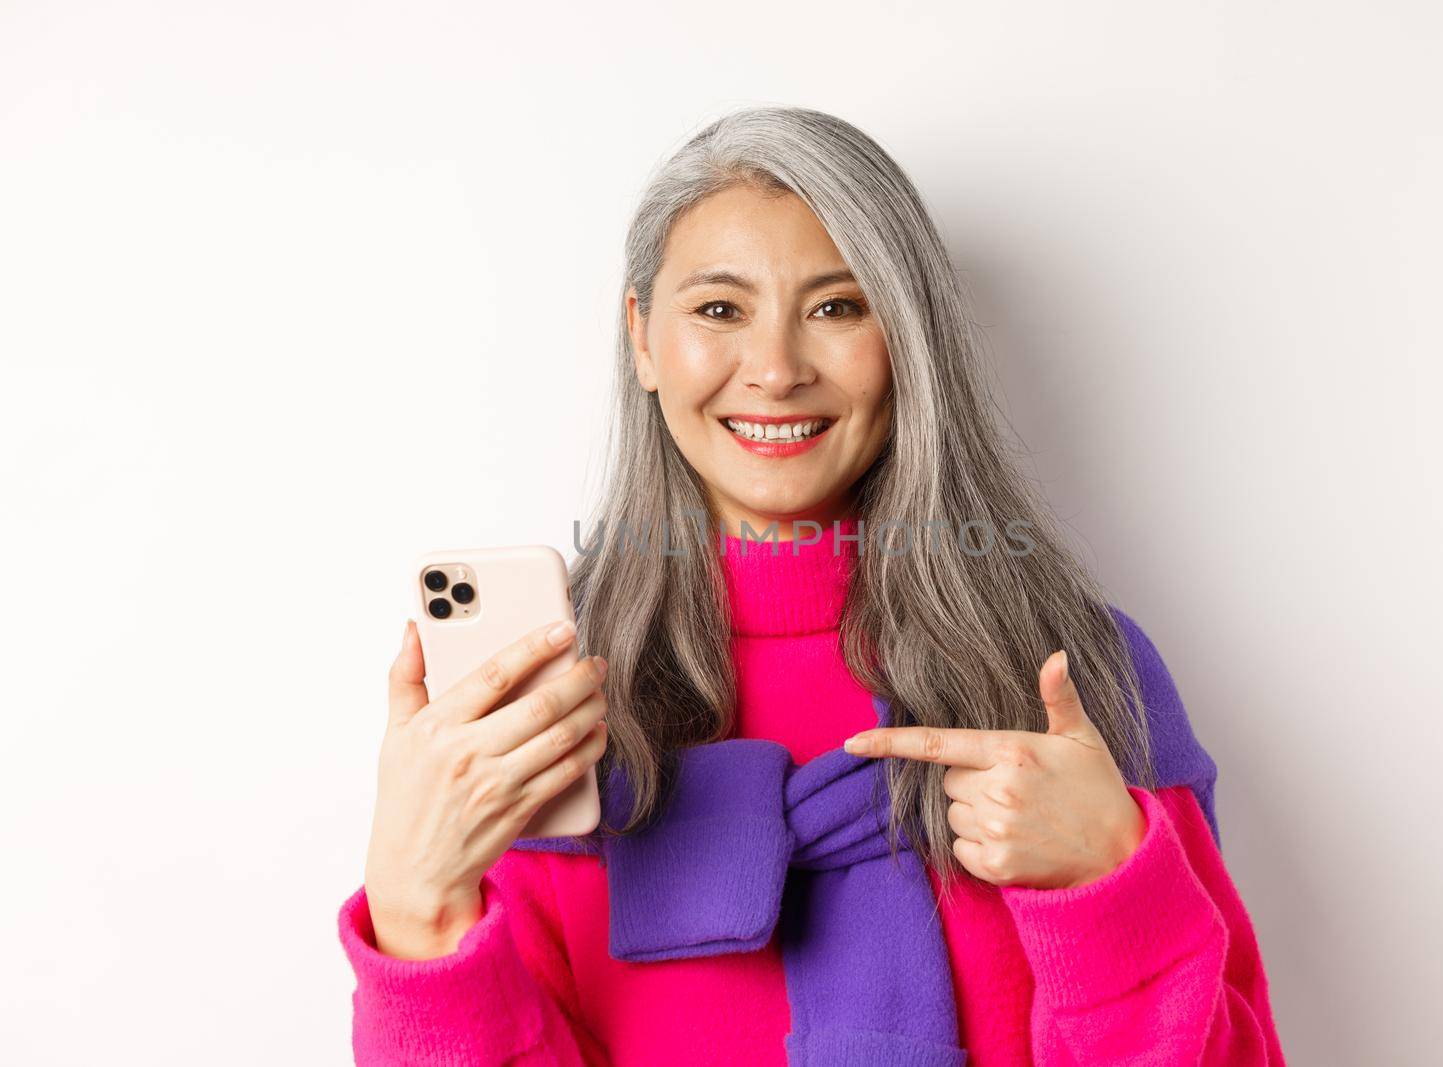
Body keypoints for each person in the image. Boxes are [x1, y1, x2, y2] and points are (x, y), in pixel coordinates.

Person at [337, 105, 1286, 1066]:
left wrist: (1111, 884)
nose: (778, 370)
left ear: (907, 339)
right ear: (642, 339)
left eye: (838, 306)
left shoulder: (1078, 679)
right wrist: (416, 913)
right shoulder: (537, 705)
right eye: (718, 310)